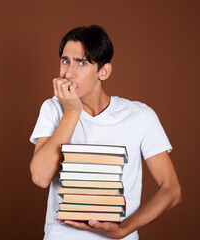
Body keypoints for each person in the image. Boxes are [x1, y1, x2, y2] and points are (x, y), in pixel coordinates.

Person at [29, 25, 182, 240]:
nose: (69, 73)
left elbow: (171, 190)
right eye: (65, 61)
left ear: (104, 71)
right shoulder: (53, 109)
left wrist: (124, 229)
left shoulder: (140, 115)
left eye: (81, 63)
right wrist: (72, 112)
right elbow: (41, 177)